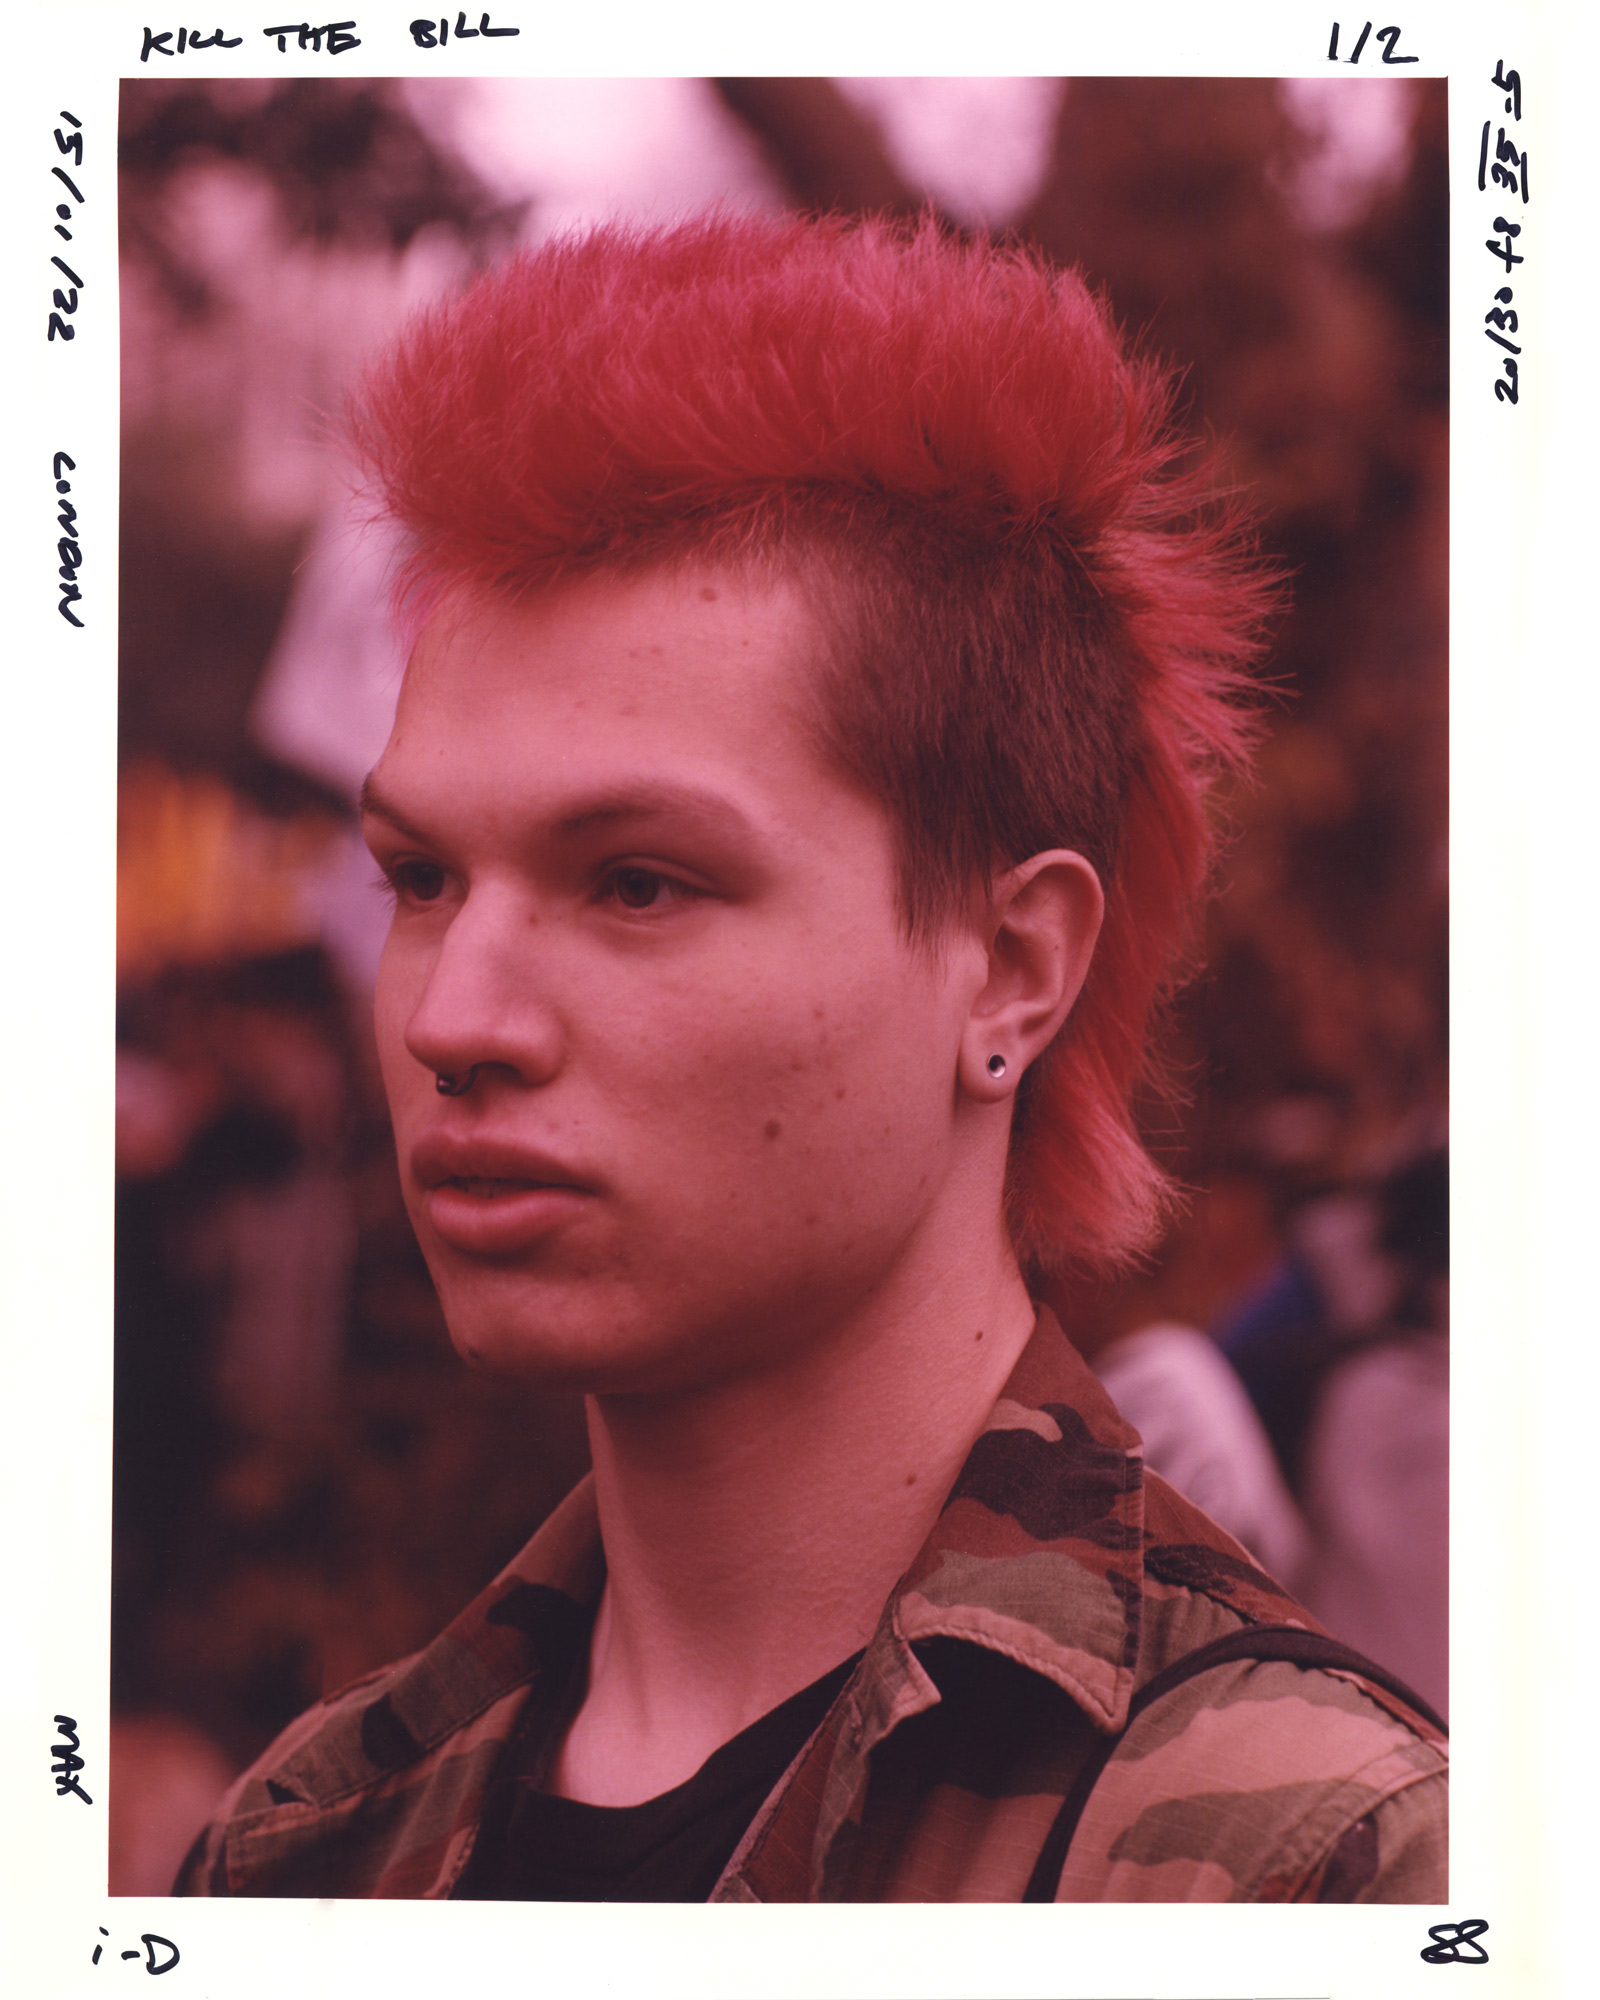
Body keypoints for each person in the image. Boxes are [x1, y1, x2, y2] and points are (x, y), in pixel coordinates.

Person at [176, 213, 1446, 1902]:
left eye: (637, 882)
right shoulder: (307, 1847)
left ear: (1011, 970)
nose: (450, 1018)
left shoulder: (1293, 1861)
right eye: (422, 877)